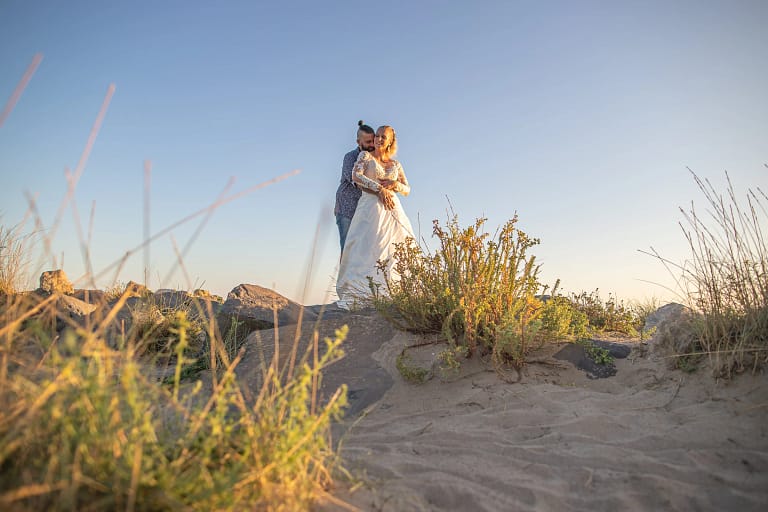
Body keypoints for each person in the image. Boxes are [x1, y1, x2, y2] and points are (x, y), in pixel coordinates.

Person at [336, 125, 415, 309]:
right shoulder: (365, 156)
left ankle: (392, 291)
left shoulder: (396, 165)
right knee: (369, 247)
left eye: (383, 137)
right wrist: (379, 189)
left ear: (390, 142)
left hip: (393, 209)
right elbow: (356, 176)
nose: (379, 139)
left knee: (394, 250)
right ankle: (366, 292)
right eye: (377, 136)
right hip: (370, 207)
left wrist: (395, 184)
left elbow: (408, 189)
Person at [334, 121, 375, 254]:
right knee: (347, 250)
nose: (372, 145)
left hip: (365, 210)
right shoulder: (350, 157)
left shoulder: (375, 158)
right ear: (358, 142)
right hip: (347, 209)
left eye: (373, 141)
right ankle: (343, 275)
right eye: (368, 142)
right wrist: (380, 191)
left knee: (364, 252)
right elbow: (356, 181)